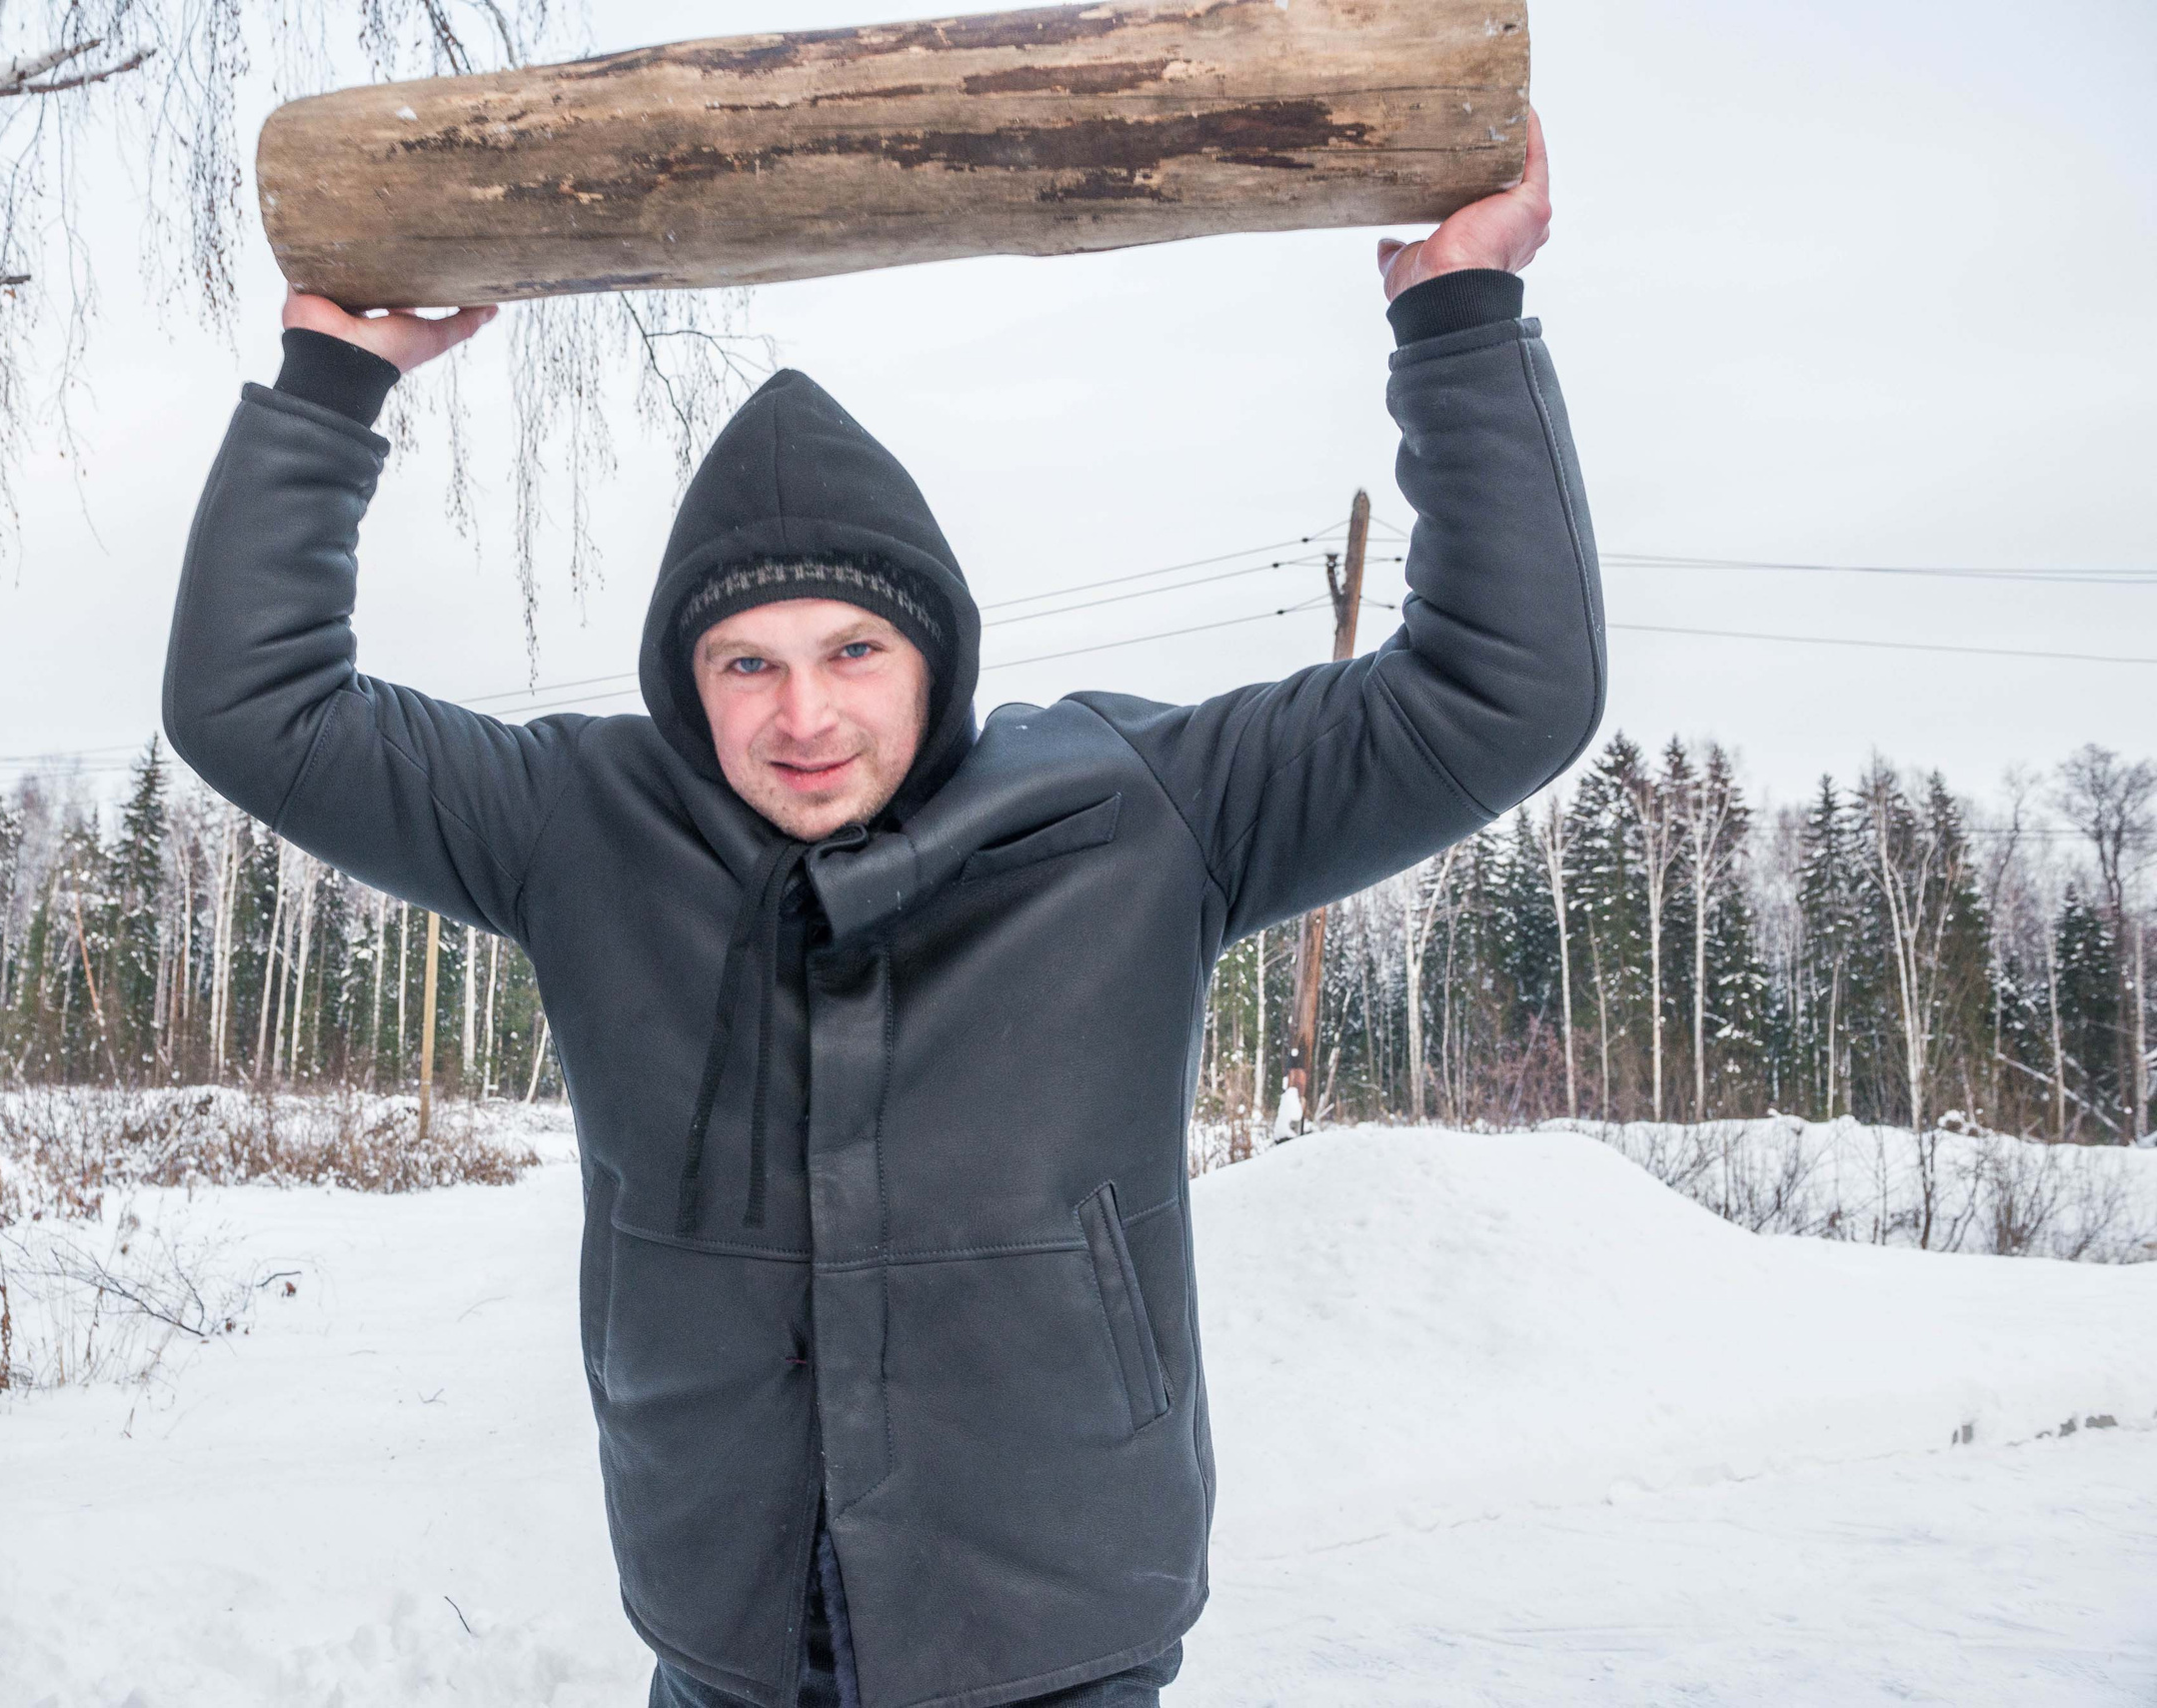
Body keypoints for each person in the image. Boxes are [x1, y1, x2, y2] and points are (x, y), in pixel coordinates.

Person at [167, 120, 1594, 1708]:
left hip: (1053, 1634)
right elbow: (256, 706)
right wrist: (329, 385)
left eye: (853, 649)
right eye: (746, 661)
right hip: (733, 1636)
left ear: (935, 650)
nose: (803, 716)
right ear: (682, 677)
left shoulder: (1134, 810)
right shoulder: (582, 826)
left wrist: (1458, 323)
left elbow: (1498, 693)